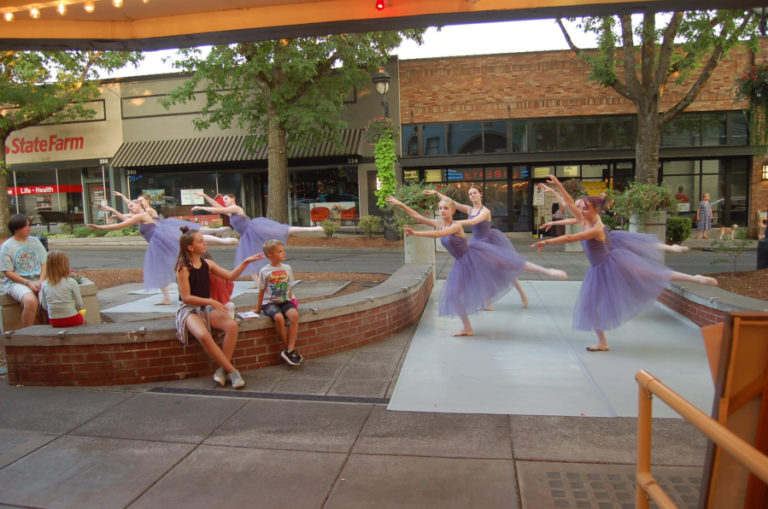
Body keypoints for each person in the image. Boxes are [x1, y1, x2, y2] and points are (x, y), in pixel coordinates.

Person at [532, 175, 717, 352]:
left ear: (595, 210)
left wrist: (546, 241)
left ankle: (695, 278)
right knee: (593, 305)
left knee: (653, 273)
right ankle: (602, 342)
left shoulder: (595, 228)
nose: (581, 210)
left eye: (585, 208)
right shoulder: (584, 219)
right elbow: (570, 205)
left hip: (612, 264)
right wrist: (557, 186)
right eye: (581, 208)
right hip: (599, 269)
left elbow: (572, 236)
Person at [388, 195, 566, 337]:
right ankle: (468, 328)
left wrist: (415, 232)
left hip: (474, 255)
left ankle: (548, 271)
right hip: (461, 263)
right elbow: (417, 216)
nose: (442, 211)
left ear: (452, 210)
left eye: (446, 208)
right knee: (455, 296)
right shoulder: (438, 222)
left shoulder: (455, 225)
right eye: (440, 208)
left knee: (509, 262)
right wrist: (400, 204)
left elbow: (440, 234)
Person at [88, 200, 238, 305]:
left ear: (140, 205)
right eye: (129, 207)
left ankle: (223, 240)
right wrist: (115, 210)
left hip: (160, 241)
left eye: (132, 205)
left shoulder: (143, 215)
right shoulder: (140, 216)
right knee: (186, 245)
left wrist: (100, 227)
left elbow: (121, 225)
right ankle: (222, 238)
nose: (130, 208)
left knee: (187, 244)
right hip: (159, 241)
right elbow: (125, 219)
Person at [175, 227, 264, 389]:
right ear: (190, 247)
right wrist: (210, 301)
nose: (205, 243)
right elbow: (186, 297)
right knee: (203, 335)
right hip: (189, 310)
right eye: (200, 241)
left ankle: (222, 370)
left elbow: (230, 276)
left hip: (206, 309)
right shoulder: (183, 268)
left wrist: (245, 263)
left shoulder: (207, 264)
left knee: (232, 326)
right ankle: (232, 371)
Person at [425, 186, 530, 308]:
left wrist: (453, 223)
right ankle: (487, 300)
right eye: (470, 194)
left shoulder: (485, 211)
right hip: (475, 242)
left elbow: (472, 222)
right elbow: (453, 203)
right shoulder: (470, 210)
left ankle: (522, 294)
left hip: (489, 242)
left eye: (475, 193)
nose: (472, 196)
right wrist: (437, 193)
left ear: (481, 194)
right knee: (477, 271)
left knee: (503, 268)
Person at [192, 192, 321, 282]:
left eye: (226, 199)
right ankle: (257, 281)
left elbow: (217, 210)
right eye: (224, 199)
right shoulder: (230, 211)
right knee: (247, 258)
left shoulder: (235, 208)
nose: (224, 201)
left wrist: (200, 207)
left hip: (254, 228)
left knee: (282, 230)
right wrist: (204, 196)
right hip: (247, 236)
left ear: (233, 199)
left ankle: (312, 229)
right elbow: (216, 205)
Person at [253, 239, 303, 366]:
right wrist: (258, 309)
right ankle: (289, 350)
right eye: (280, 252)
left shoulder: (287, 268)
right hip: (269, 303)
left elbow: (289, 287)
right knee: (279, 318)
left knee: (294, 316)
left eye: (283, 251)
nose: (283, 253)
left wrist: (292, 300)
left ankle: (290, 349)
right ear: (270, 256)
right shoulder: (265, 271)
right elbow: (261, 291)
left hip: (285, 301)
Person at [0, 214, 48, 328]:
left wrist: (41, 280)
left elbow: (44, 263)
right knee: (31, 301)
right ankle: (27, 335)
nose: (29, 228)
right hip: (17, 283)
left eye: (29, 225)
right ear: (16, 228)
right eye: (26, 226)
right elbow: (8, 272)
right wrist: (28, 283)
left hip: (38, 279)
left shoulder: (35, 241)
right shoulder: (7, 246)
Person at [40, 250, 86, 327]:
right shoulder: (71, 282)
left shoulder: (44, 284)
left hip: (54, 321)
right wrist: (76, 311)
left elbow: (44, 305)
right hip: (71, 318)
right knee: (83, 321)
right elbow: (79, 304)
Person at [202, 251, 235, 318]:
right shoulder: (222, 273)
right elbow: (230, 288)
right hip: (225, 301)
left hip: (212, 304)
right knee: (229, 306)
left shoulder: (204, 276)